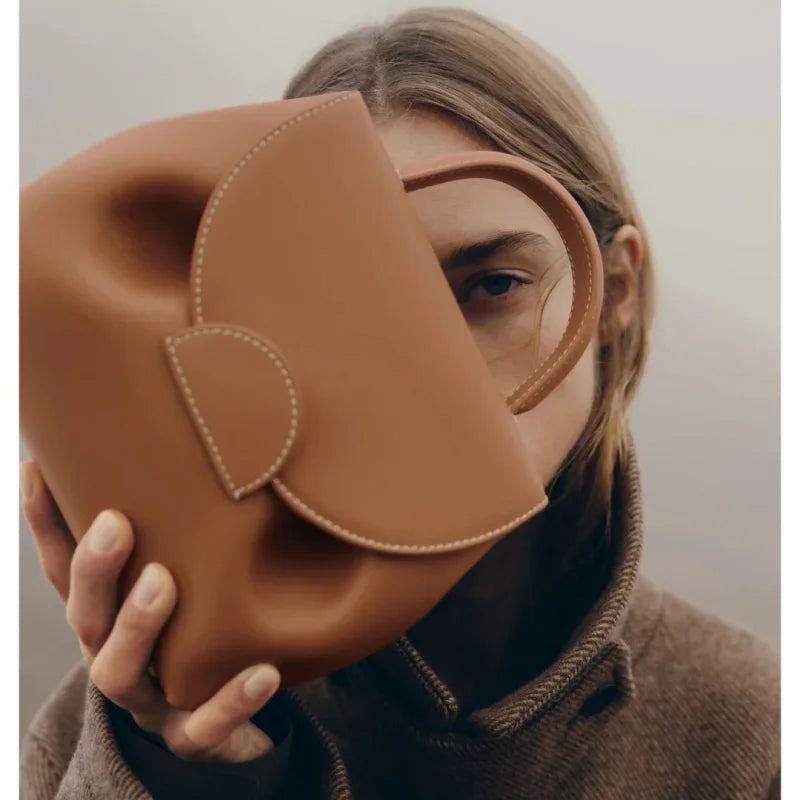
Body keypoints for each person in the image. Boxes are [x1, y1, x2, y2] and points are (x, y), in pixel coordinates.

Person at [19, 7, 779, 799]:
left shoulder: (751, 737)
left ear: (611, 289)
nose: (438, 373)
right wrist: (203, 784)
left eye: (492, 287)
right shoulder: (124, 725)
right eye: (364, 308)